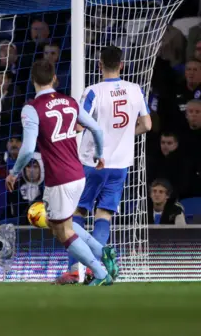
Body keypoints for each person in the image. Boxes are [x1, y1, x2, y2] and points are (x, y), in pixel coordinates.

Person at [5, 60, 116, 286]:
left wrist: (14, 172)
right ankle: (103, 251)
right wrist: (99, 154)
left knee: (61, 232)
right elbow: (95, 127)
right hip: (78, 174)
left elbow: (27, 149)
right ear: (55, 78)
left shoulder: (32, 108)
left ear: (33, 80)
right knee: (64, 225)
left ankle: (101, 273)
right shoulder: (70, 102)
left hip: (59, 179)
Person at [56, 46, 152, 285]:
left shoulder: (93, 91)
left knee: (76, 214)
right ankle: (94, 269)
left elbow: (78, 126)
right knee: (104, 215)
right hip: (120, 165)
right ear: (121, 65)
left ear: (99, 65)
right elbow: (147, 125)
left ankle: (74, 270)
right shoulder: (135, 90)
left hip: (91, 162)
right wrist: (127, 136)